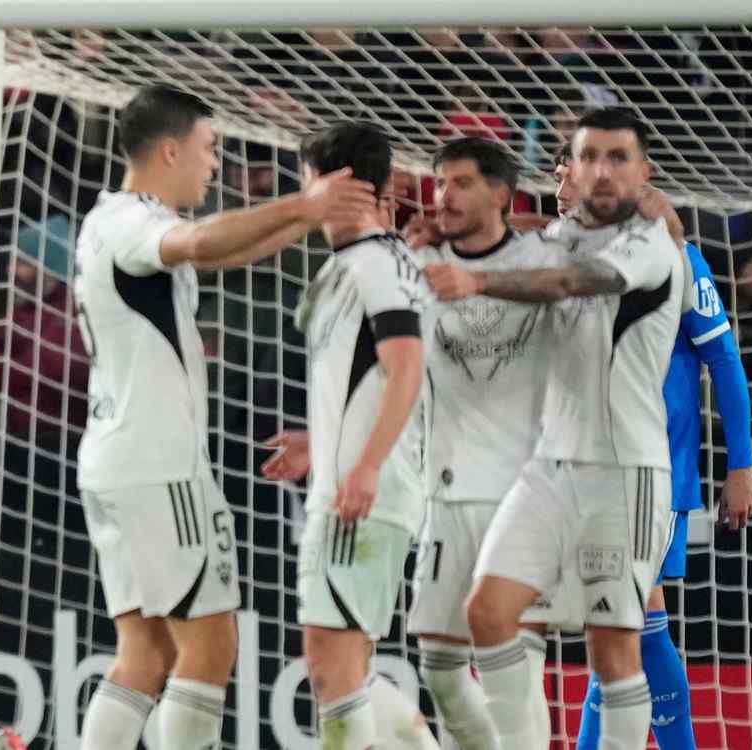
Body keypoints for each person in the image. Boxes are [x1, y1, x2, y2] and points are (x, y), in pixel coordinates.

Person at [72, 84, 377, 750]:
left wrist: (309, 217)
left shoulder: (108, 222)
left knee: (145, 656)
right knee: (210, 648)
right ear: (172, 149)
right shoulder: (134, 223)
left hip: (116, 461)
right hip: (157, 467)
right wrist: (304, 202)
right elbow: (197, 244)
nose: (215, 165)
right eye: (210, 149)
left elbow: (222, 252)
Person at [424, 107, 690, 750]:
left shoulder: (649, 243)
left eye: (617, 157)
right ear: (568, 167)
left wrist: (477, 278)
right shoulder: (561, 234)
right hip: (549, 468)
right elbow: (533, 241)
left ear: (644, 172)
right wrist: (447, 230)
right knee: (487, 613)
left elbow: (576, 279)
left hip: (624, 472)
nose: (601, 170)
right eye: (588, 156)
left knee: (613, 648)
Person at [560, 143, 752, 750]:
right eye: (564, 167)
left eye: (578, 168)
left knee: (623, 621)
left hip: (654, 469)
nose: (566, 179)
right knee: (626, 626)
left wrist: (742, 466)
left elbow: (724, 359)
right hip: (590, 467)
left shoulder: (677, 258)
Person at [260, 121, 437, 750]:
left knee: (331, 665)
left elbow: (406, 367)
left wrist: (363, 465)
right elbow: (364, 378)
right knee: (341, 664)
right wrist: (321, 442)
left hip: (367, 492)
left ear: (332, 184)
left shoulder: (380, 265)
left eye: (307, 182)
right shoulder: (348, 267)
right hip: (351, 485)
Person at [399, 137, 566, 749]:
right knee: (438, 668)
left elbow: (588, 248)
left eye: (462, 183)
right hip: (447, 490)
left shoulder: (542, 255)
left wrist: (481, 274)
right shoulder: (417, 266)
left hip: (525, 495)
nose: (444, 196)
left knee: (519, 663)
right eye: (440, 184)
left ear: (501, 193)